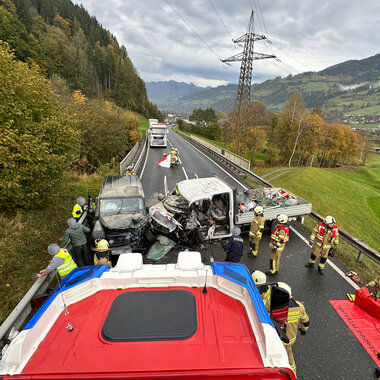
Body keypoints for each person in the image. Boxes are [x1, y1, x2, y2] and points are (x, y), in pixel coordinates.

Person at [276, 282, 309, 376]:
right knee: (289, 357)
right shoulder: (300, 307)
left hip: (278, 339)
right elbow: (306, 322)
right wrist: (303, 330)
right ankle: (293, 374)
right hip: (291, 339)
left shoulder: (274, 306)